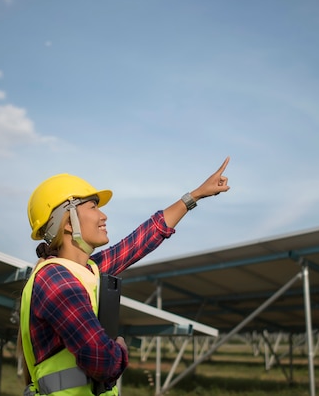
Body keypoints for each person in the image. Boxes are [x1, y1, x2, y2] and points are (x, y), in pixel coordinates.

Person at [20, 157, 230, 396]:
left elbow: (141, 240)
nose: (103, 216)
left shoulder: (87, 269)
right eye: (93, 207)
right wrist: (119, 348)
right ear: (68, 222)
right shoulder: (56, 280)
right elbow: (101, 360)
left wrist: (196, 195)